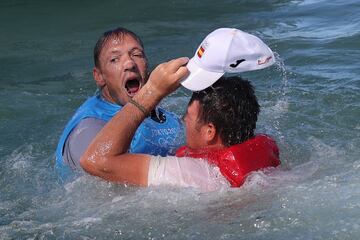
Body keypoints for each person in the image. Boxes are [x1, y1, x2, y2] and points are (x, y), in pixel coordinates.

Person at [80, 57, 280, 191]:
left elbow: (96, 161)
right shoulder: (263, 154)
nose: (183, 120)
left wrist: (152, 92)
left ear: (209, 131)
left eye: (187, 115)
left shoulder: (193, 173)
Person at [55, 27, 184, 180]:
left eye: (137, 55)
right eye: (114, 59)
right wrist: (153, 92)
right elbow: (100, 182)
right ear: (99, 76)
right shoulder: (88, 128)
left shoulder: (160, 113)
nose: (130, 63)